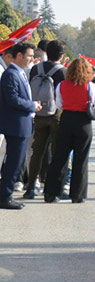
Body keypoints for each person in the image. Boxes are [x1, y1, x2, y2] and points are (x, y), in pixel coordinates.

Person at [42, 57, 95, 204]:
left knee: (59, 157)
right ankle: (77, 194)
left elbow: (59, 104)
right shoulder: (89, 86)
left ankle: (51, 192)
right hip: (83, 122)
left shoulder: (62, 85)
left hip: (66, 120)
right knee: (81, 159)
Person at [22, 40, 67, 199]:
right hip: (56, 115)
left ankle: (30, 187)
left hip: (38, 113)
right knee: (56, 153)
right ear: (61, 56)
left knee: (37, 152)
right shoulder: (63, 72)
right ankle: (52, 187)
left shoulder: (35, 68)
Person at [0, 43, 41, 209]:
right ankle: (5, 196)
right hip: (15, 124)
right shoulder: (11, 74)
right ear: (18, 56)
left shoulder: (20, 73)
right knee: (14, 162)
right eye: (29, 55)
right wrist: (32, 106)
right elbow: (13, 99)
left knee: (16, 162)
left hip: (21, 123)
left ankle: (5, 193)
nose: (31, 58)